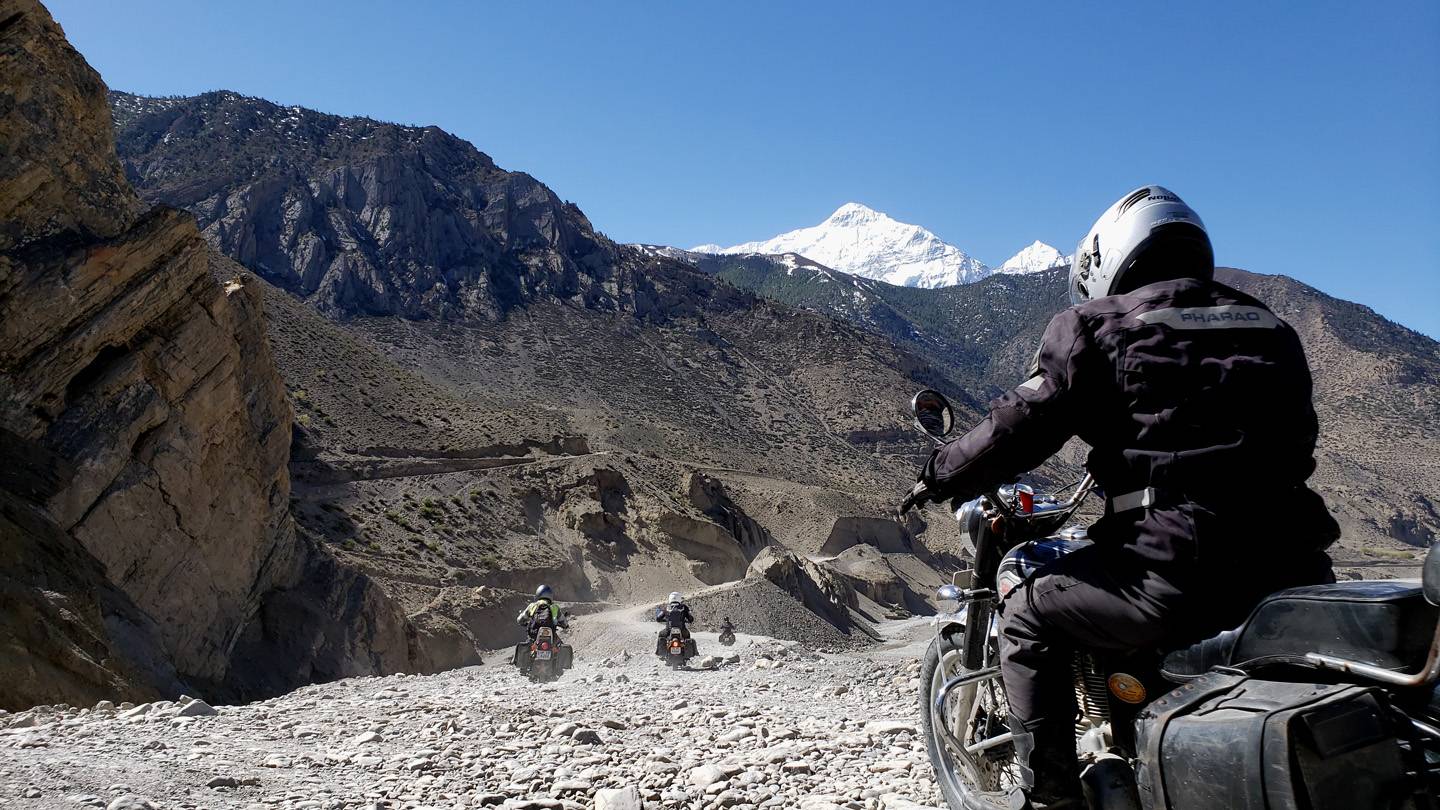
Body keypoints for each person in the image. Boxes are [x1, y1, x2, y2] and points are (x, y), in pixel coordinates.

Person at [900, 185, 1338, 808]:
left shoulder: (1096, 327)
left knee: (1026, 610)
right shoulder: (1272, 327)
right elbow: (1299, 441)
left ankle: (1049, 798)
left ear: (1107, 261)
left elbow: (1019, 426)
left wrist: (939, 473)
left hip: (1174, 572)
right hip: (1295, 570)